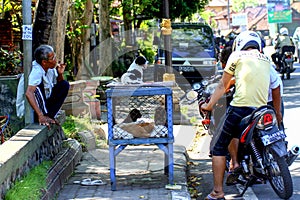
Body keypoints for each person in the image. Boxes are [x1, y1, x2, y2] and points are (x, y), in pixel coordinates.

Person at [201, 31, 282, 200]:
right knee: (238, 134)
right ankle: (239, 164)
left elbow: (223, 85)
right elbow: (274, 86)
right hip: (261, 109)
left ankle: (217, 191)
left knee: (218, 146)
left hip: (240, 108)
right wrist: (277, 112)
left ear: (239, 44)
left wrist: (208, 105)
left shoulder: (236, 56)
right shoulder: (266, 59)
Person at [25, 44, 70, 128]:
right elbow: (29, 93)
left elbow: (59, 84)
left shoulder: (50, 69)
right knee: (37, 87)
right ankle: (43, 115)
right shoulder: (36, 71)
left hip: (45, 102)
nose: (55, 60)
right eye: (52, 58)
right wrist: (40, 115)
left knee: (64, 85)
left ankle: (49, 115)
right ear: (44, 62)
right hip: (33, 110)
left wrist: (60, 74)